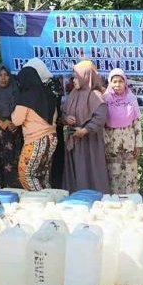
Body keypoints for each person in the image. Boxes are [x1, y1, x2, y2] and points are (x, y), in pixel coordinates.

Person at [62, 60, 109, 193]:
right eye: (74, 77)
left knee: (89, 170)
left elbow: (100, 118)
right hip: (74, 141)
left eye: (77, 77)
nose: (74, 80)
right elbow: (64, 113)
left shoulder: (96, 96)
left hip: (90, 143)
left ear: (86, 77)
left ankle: (93, 201)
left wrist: (85, 130)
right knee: (76, 173)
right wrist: (66, 118)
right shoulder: (73, 94)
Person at [11, 66, 58, 190]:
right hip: (52, 138)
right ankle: (50, 201)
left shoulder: (25, 97)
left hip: (35, 140)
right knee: (43, 174)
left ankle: (40, 201)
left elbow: (16, 121)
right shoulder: (49, 94)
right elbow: (55, 117)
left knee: (26, 174)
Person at [102, 68, 143, 194]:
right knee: (114, 173)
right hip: (111, 143)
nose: (117, 85)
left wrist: (139, 144)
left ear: (125, 82)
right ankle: (114, 203)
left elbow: (137, 123)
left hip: (129, 142)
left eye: (121, 81)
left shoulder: (131, 98)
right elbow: (101, 123)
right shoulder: (105, 99)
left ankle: (131, 202)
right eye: (114, 81)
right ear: (110, 82)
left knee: (130, 173)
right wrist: (105, 141)